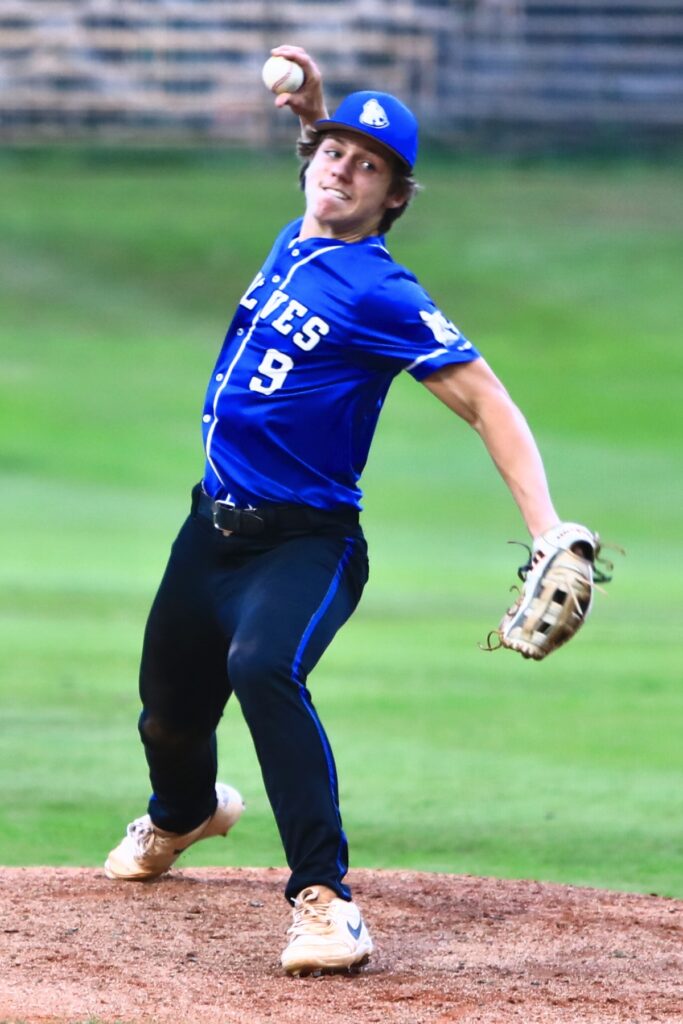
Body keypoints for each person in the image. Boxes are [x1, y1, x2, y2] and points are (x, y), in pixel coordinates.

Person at [104, 45, 562, 976]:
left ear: (395, 196)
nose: (342, 171)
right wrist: (312, 110)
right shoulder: (298, 235)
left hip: (305, 546)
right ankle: (184, 813)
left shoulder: (382, 291)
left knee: (264, 667)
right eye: (334, 154)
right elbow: (318, 163)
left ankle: (325, 902)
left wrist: (548, 527)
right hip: (210, 532)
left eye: (369, 165)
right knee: (167, 721)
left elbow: (486, 400)